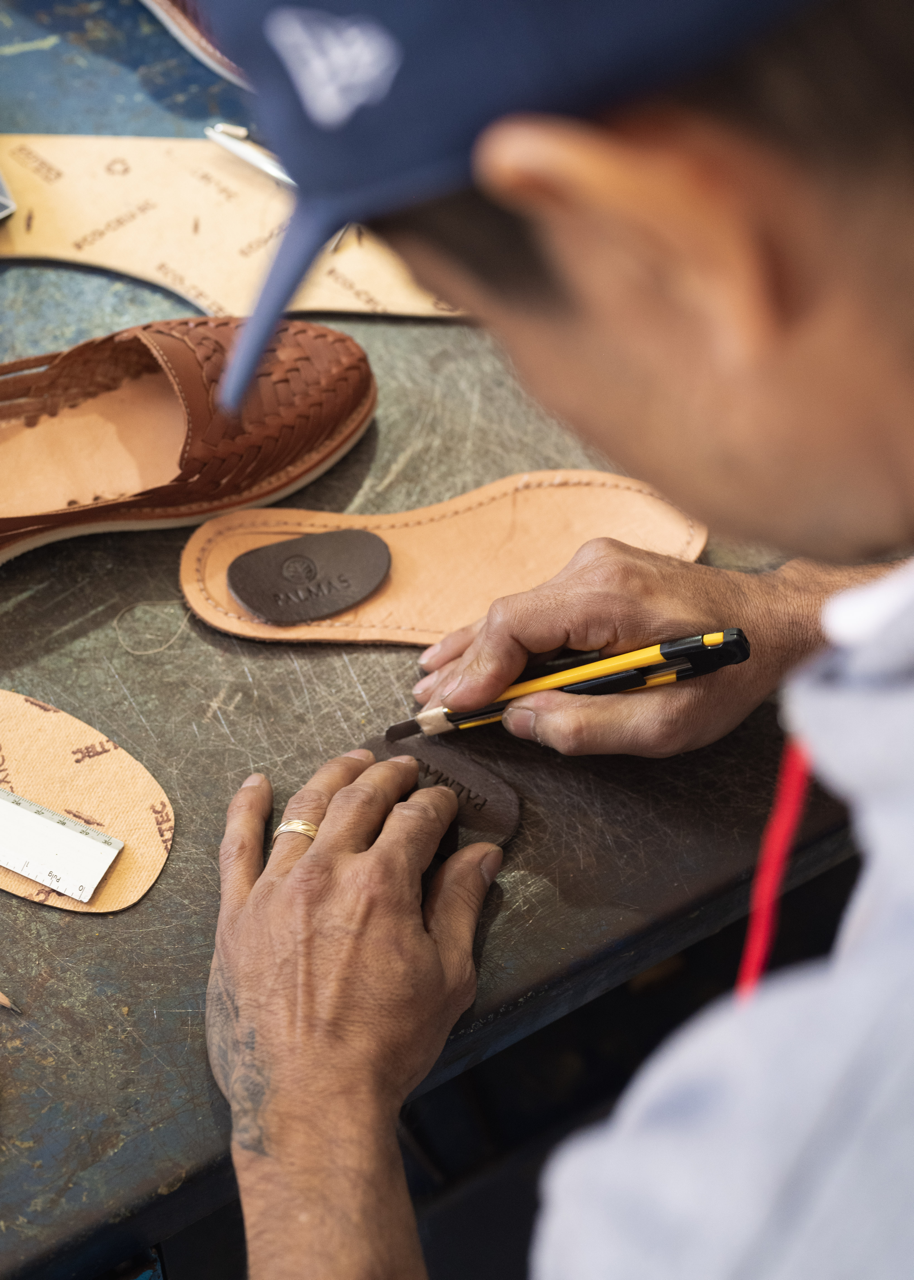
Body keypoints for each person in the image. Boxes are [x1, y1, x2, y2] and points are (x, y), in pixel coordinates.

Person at [202, 0, 914, 1275]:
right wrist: (790, 610)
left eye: (488, 314)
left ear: (668, 243)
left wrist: (305, 1116)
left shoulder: (792, 1176)